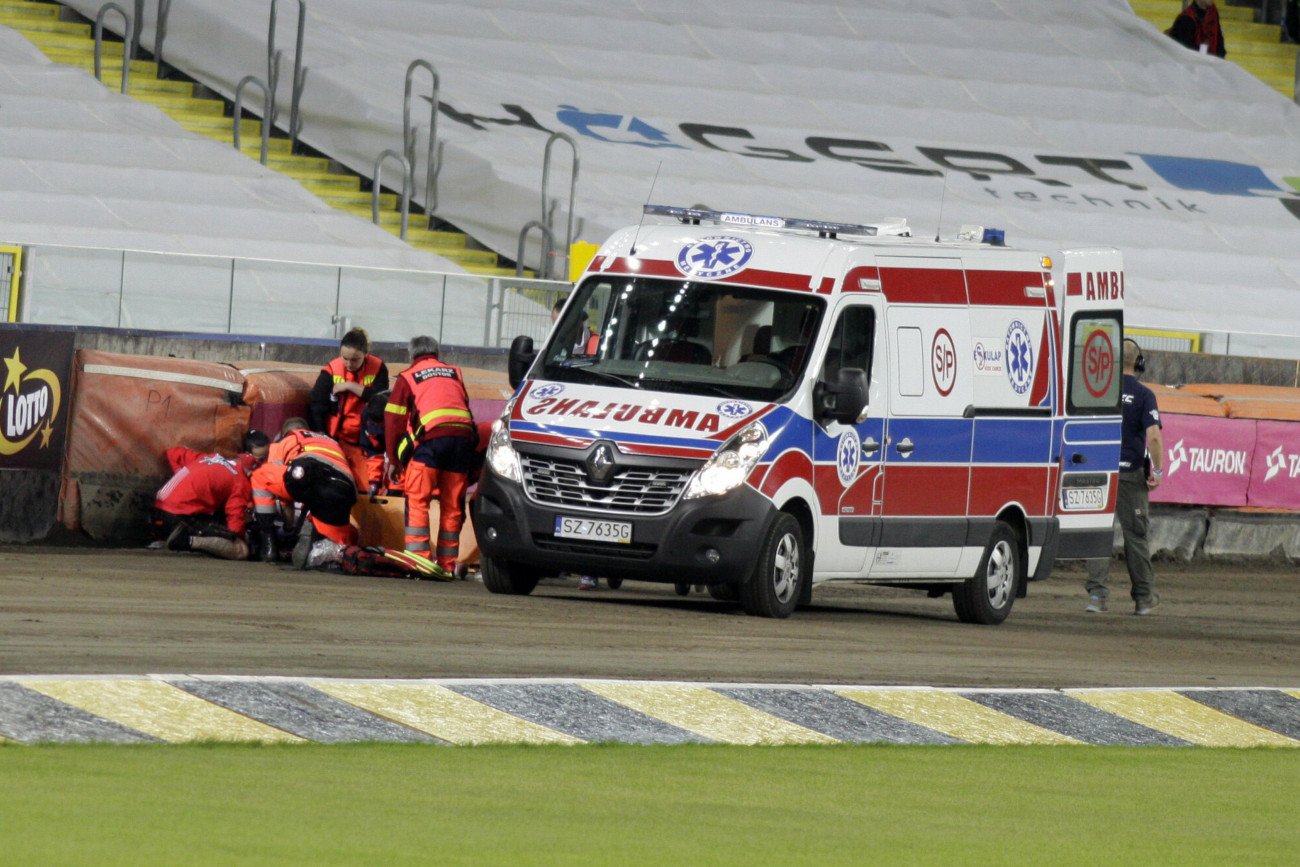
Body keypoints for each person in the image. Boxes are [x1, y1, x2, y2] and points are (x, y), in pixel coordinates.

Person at [384, 336, 476, 578]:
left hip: (430, 442)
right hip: (463, 441)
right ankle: (447, 566)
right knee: (452, 506)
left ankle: (419, 562)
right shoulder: (454, 373)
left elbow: (393, 419)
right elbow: (464, 406)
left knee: (417, 499)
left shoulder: (408, 376)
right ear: (436, 353)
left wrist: (394, 459)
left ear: (411, 355)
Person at [1086, 338, 1165, 615]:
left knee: (1099, 534)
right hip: (1131, 473)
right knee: (1136, 537)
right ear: (1139, 363)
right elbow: (1153, 436)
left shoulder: (1098, 392)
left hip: (1100, 472)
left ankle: (1096, 596)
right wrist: (1157, 470)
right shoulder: (1144, 395)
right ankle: (1143, 598)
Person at [250, 417, 358, 566]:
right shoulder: (331, 442)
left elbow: (279, 486)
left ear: (285, 433)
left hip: (306, 471)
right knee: (336, 545)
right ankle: (316, 533)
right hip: (344, 487)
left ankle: (269, 544)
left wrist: (288, 529)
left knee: (261, 476)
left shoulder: (287, 440)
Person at [151, 429, 270, 560]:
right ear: (251, 472)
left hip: (158, 510)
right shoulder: (240, 481)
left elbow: (173, 453)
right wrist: (237, 539)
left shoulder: (209, 457)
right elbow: (235, 520)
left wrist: (180, 477)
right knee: (240, 550)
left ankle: (176, 537)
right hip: (178, 517)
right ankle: (186, 540)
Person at [309, 327, 389, 492]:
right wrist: (322, 435)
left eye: (354, 360)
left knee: (368, 487)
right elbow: (317, 405)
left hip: (367, 441)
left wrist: (350, 386)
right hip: (338, 439)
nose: (349, 364)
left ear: (366, 354)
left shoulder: (378, 368)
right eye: (345, 358)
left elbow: (379, 400)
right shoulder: (331, 370)